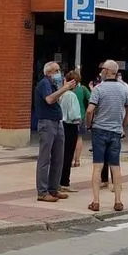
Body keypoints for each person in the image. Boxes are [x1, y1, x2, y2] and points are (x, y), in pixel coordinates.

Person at [86, 60, 128, 212]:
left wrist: (89, 124)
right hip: (115, 132)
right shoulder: (123, 89)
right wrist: (122, 126)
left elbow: (89, 110)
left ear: (106, 71)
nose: (101, 71)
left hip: (99, 130)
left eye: (102, 69)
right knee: (116, 166)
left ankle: (96, 201)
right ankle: (118, 201)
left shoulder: (98, 89)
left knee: (97, 166)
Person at [34, 61, 76, 203]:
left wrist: (63, 89)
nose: (60, 73)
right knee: (45, 158)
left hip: (57, 122)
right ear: (49, 72)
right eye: (57, 70)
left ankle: (53, 189)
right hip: (47, 122)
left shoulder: (52, 84)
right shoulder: (44, 83)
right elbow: (50, 100)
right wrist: (64, 88)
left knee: (59, 157)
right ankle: (42, 191)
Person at [58, 70, 83, 193]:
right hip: (71, 125)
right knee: (68, 155)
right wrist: (79, 119)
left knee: (63, 154)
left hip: (63, 124)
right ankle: (64, 182)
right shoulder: (71, 95)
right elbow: (73, 114)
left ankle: (60, 180)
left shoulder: (62, 94)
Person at [72, 73, 91, 167]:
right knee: (79, 138)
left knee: (69, 139)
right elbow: (91, 99)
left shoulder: (67, 88)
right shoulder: (83, 88)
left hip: (69, 117)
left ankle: (70, 159)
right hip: (81, 115)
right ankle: (77, 160)